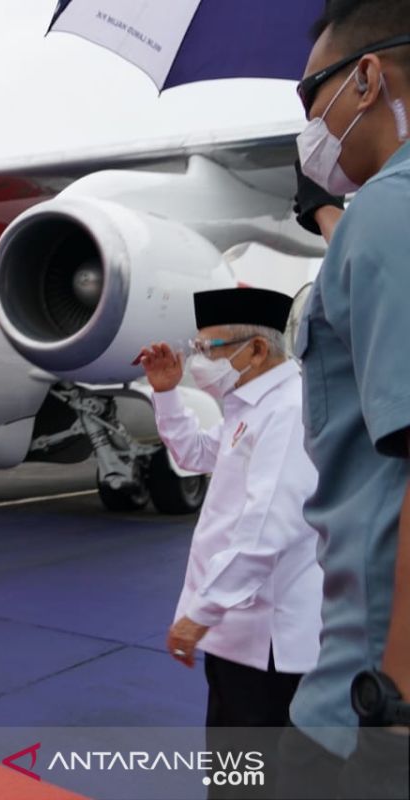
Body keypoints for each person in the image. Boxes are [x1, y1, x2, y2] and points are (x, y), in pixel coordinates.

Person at [281, 2, 410, 797]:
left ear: (367, 78)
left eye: (309, 97)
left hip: (357, 694)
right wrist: (338, 226)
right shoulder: (380, 218)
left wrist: (392, 713)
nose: (307, 129)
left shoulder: (390, 212)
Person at [137, 288, 323, 799]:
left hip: (264, 638)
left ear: (257, 351)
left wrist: (204, 610)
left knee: (252, 776)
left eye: (210, 349)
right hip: (240, 630)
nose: (200, 360)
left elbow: (268, 527)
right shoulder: (250, 406)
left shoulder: (286, 409)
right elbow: (198, 453)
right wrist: (168, 394)